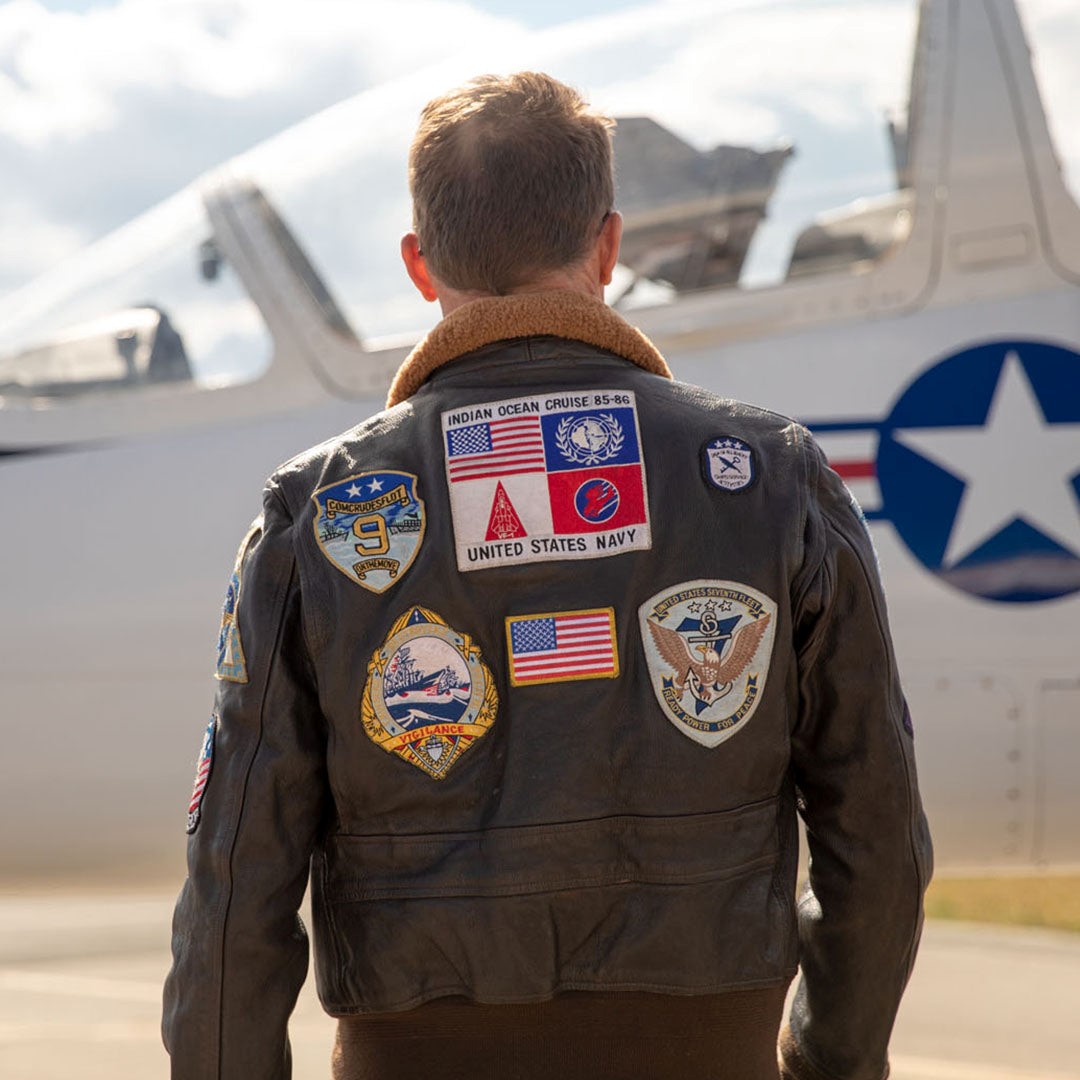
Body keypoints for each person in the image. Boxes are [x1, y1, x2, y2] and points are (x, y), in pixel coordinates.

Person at [163, 71, 932, 1080]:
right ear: (608, 248)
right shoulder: (771, 479)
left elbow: (234, 885)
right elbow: (876, 837)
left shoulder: (318, 514)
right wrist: (830, 1063)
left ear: (418, 263)